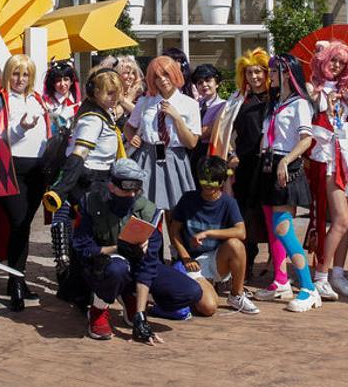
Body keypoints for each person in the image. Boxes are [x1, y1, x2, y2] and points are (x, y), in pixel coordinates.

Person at [75, 158, 211, 343]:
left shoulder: (148, 211)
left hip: (137, 265)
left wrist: (141, 316)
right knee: (117, 268)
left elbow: (149, 264)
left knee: (190, 292)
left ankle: (132, 298)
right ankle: (98, 310)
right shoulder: (91, 203)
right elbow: (82, 248)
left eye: (136, 189)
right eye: (126, 188)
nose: (131, 194)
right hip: (102, 266)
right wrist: (116, 248)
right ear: (111, 185)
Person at [253, 54, 322, 312]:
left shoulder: (300, 104)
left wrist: (285, 161)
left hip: (286, 166)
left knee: (284, 229)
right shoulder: (275, 104)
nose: (269, 76)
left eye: (273, 72)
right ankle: (281, 280)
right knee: (273, 228)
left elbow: (306, 139)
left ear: (286, 74)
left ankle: (308, 287)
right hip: (269, 166)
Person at [44, 68, 126, 280]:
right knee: (89, 235)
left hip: (101, 178)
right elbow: (79, 153)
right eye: (109, 93)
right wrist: (60, 190)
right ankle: (80, 284)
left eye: (116, 92)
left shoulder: (102, 113)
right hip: (90, 180)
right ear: (94, 92)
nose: (114, 98)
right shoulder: (93, 119)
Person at [307, 41, 348, 300]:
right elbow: (313, 118)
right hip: (328, 158)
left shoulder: (346, 92)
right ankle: (320, 274)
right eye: (333, 60)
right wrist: (326, 102)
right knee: (339, 219)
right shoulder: (311, 89)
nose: (337, 66)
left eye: (342, 63)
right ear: (322, 61)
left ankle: (337, 273)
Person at [170, 156, 260, 314]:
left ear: (222, 181)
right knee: (209, 308)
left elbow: (241, 232)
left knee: (236, 244)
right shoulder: (188, 199)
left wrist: (209, 233)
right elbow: (174, 230)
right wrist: (185, 256)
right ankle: (199, 289)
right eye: (204, 180)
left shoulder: (228, 203)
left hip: (216, 259)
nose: (208, 185)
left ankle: (236, 294)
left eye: (214, 181)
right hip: (192, 262)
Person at [0, 53, 48, 310]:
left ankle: (17, 277)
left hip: (38, 170)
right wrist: (22, 128)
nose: (20, 79)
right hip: (11, 169)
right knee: (18, 223)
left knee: (25, 224)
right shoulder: (0, 101)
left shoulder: (38, 99)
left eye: (25, 74)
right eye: (16, 73)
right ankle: (16, 280)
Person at [228, 48, 280, 289]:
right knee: (246, 217)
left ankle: (276, 264)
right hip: (246, 165)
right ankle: (246, 264)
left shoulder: (277, 99)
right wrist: (231, 154)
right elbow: (229, 132)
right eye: (249, 73)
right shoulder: (239, 100)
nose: (254, 77)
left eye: (258, 72)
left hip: (270, 164)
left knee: (272, 217)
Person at [125, 56, 202, 212]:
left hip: (175, 159)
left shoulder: (190, 104)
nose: (162, 81)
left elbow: (192, 143)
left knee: (176, 212)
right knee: (145, 211)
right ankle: (153, 237)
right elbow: (129, 126)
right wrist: (131, 137)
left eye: (166, 74)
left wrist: (177, 118)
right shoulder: (145, 102)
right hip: (146, 158)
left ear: (174, 74)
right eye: (157, 77)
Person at [190, 64, 226, 175]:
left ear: (217, 83)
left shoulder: (223, 106)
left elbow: (209, 130)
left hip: (210, 151)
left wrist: (186, 134)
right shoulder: (194, 105)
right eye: (200, 82)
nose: (204, 85)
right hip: (192, 152)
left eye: (208, 80)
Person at [42, 59, 81, 133]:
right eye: (58, 80)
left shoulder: (77, 102)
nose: (62, 84)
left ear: (72, 81)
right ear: (53, 83)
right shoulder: (46, 104)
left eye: (66, 79)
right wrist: (62, 117)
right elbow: (46, 130)